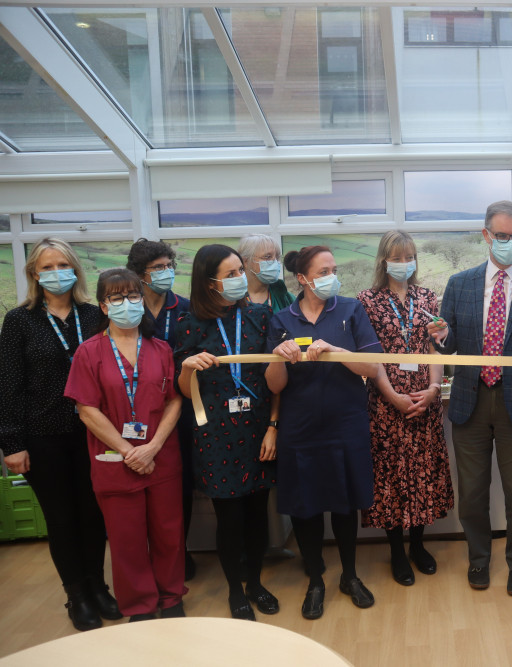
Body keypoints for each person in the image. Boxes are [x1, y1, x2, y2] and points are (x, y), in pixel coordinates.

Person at [428, 200, 512, 597]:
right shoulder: (460, 283)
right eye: (500, 236)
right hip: (470, 401)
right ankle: (478, 561)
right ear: (486, 236)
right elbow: (449, 348)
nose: (508, 242)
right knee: (472, 494)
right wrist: (440, 338)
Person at [0, 238, 121, 631]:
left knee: (93, 514)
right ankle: (76, 595)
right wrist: (11, 443)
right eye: (46, 267)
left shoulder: (93, 315)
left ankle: (99, 586)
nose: (55, 273)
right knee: (61, 518)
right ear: (34, 273)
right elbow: (10, 384)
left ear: (75, 270)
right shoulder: (20, 320)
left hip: (92, 434)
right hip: (43, 434)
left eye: (62, 264)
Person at [266, 246, 383, 619]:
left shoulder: (350, 310)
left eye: (334, 268)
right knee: (306, 508)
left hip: (345, 426)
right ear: (302, 279)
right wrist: (278, 357)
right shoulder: (282, 319)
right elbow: (274, 385)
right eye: (324, 270)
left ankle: (349, 576)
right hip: (300, 431)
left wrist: (333, 348)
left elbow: (371, 365)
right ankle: (315, 579)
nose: (332, 275)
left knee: (345, 505)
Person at [65, 268, 187, 621]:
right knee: (126, 540)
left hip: (161, 456)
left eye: (133, 296)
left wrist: (151, 447)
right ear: (104, 306)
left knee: (168, 533)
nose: (127, 304)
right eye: (117, 298)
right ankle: (139, 606)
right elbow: (86, 410)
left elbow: (174, 400)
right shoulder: (89, 353)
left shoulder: (161, 349)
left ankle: (171, 597)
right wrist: (128, 450)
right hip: (114, 460)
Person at [174, 244, 278, 621]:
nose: (239, 279)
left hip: (257, 431)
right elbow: (184, 392)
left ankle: (255, 582)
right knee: (229, 519)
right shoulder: (188, 323)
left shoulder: (259, 316)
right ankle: (236, 591)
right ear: (208, 281)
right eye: (230, 274)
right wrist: (187, 367)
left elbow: (275, 382)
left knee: (257, 516)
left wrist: (273, 427)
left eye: (240, 271)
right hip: (215, 434)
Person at [357, 232, 454, 587]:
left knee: (423, 473)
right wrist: (392, 396)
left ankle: (418, 544)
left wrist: (433, 389)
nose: (405, 263)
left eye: (410, 256)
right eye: (398, 257)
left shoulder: (427, 297)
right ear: (384, 260)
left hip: (425, 402)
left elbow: (434, 349)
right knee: (392, 478)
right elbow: (371, 356)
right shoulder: (366, 301)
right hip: (385, 405)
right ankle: (396, 549)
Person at [127, 238, 197, 580]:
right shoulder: (128, 310)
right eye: (159, 268)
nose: (167, 272)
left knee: (180, 486)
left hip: (180, 409)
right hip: (135, 412)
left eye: (170, 265)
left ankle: (178, 552)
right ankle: (146, 561)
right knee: (138, 486)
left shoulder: (186, 308)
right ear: (140, 275)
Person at [239, 234, 294, 312]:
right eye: (267, 257)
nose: (275, 262)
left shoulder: (285, 296)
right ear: (246, 261)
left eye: (277, 257)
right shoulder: (234, 298)